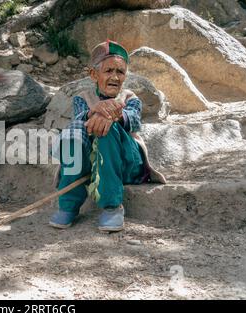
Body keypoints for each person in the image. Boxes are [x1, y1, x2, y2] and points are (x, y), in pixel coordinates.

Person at [50, 40, 166, 232]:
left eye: (120, 72)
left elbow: (135, 121)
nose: (114, 76)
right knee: (73, 134)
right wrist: (93, 112)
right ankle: (68, 205)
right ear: (94, 74)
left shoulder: (129, 98)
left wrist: (115, 115)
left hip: (126, 163)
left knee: (107, 127)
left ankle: (112, 206)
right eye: (108, 71)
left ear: (125, 76)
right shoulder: (83, 98)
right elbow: (78, 120)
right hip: (92, 165)